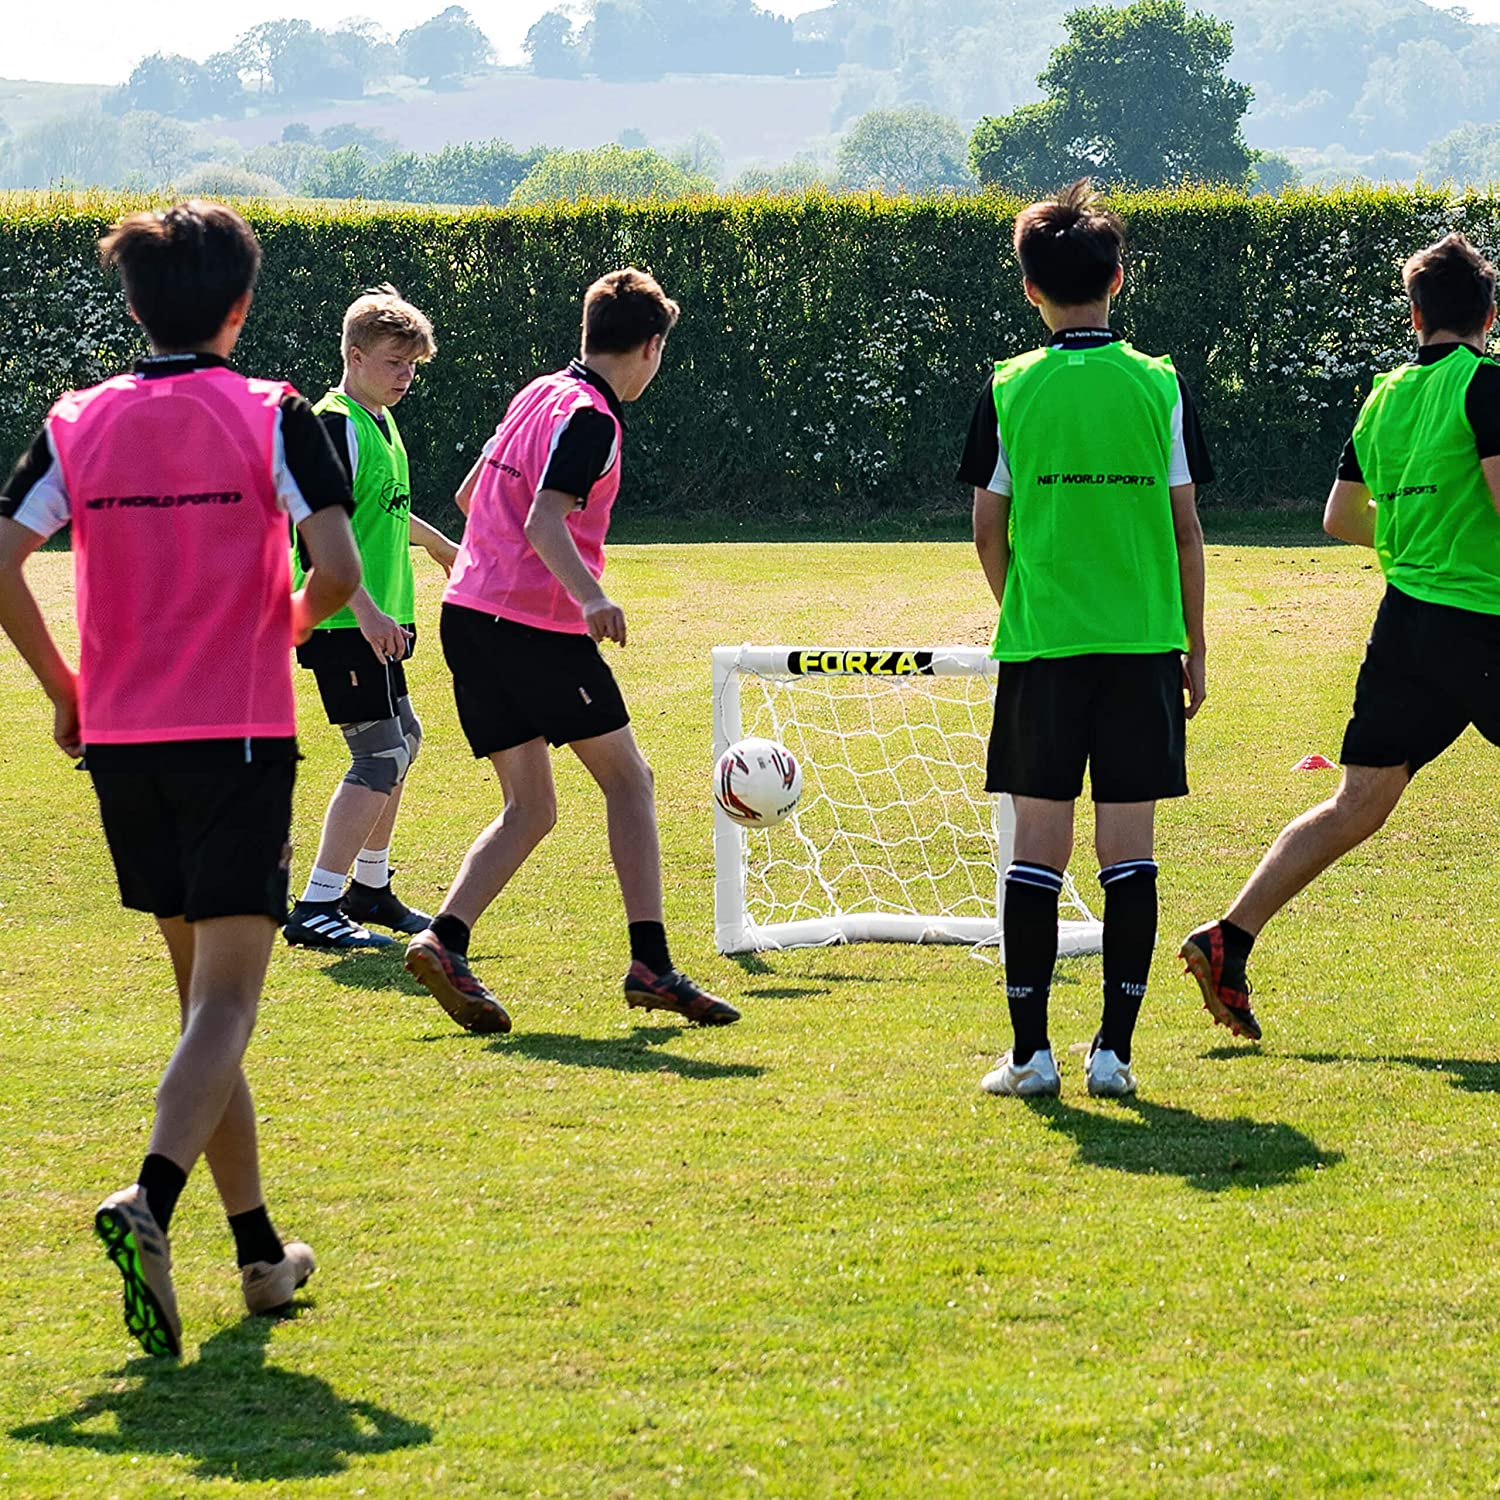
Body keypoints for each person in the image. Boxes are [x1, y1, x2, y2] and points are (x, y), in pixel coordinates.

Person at [0, 201, 361, 1357]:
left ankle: (258, 1254)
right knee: (227, 1007)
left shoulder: (77, 420)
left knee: (204, 1006)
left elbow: (3, 558)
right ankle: (149, 1199)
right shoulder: (273, 412)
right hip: (238, 737)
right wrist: (278, 629)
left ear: (134, 304)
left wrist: (65, 688)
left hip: (125, 748)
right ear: (240, 307)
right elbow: (339, 572)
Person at [403, 267, 739, 1034]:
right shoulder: (592, 418)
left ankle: (444, 939)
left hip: (468, 615)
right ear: (651, 348)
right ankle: (651, 965)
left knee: (531, 807)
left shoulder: (538, 394)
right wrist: (589, 597)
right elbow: (543, 520)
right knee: (630, 780)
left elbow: (470, 496)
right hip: (532, 626)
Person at [1182, 232, 1500, 1042]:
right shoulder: (1488, 386)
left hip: (1406, 625)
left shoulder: (1383, 398)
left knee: (1356, 803)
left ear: (1415, 316)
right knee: (1359, 803)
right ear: (1490, 317)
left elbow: (1340, 517)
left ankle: (1229, 938)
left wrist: (1419, 543)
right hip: (1481, 623)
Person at [955, 179, 1211, 1100]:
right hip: (1142, 648)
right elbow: (1186, 529)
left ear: (1030, 288)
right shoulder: (1160, 384)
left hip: (1045, 651)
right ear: (1118, 279)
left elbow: (987, 527)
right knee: (1128, 850)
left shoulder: (1009, 387)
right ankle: (1115, 1056)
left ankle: (1031, 1056)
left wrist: (1022, 604)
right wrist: (1195, 646)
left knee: (1038, 848)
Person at [283, 285, 460, 951]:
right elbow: (314, 538)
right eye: (393, 362)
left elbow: (381, 508)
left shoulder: (379, 421)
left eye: (412, 365)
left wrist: (437, 544)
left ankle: (370, 889)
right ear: (354, 357)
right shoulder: (333, 425)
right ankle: (317, 905)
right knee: (380, 754)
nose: (405, 375)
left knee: (404, 739)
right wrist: (364, 610)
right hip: (342, 621)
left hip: (377, 619)